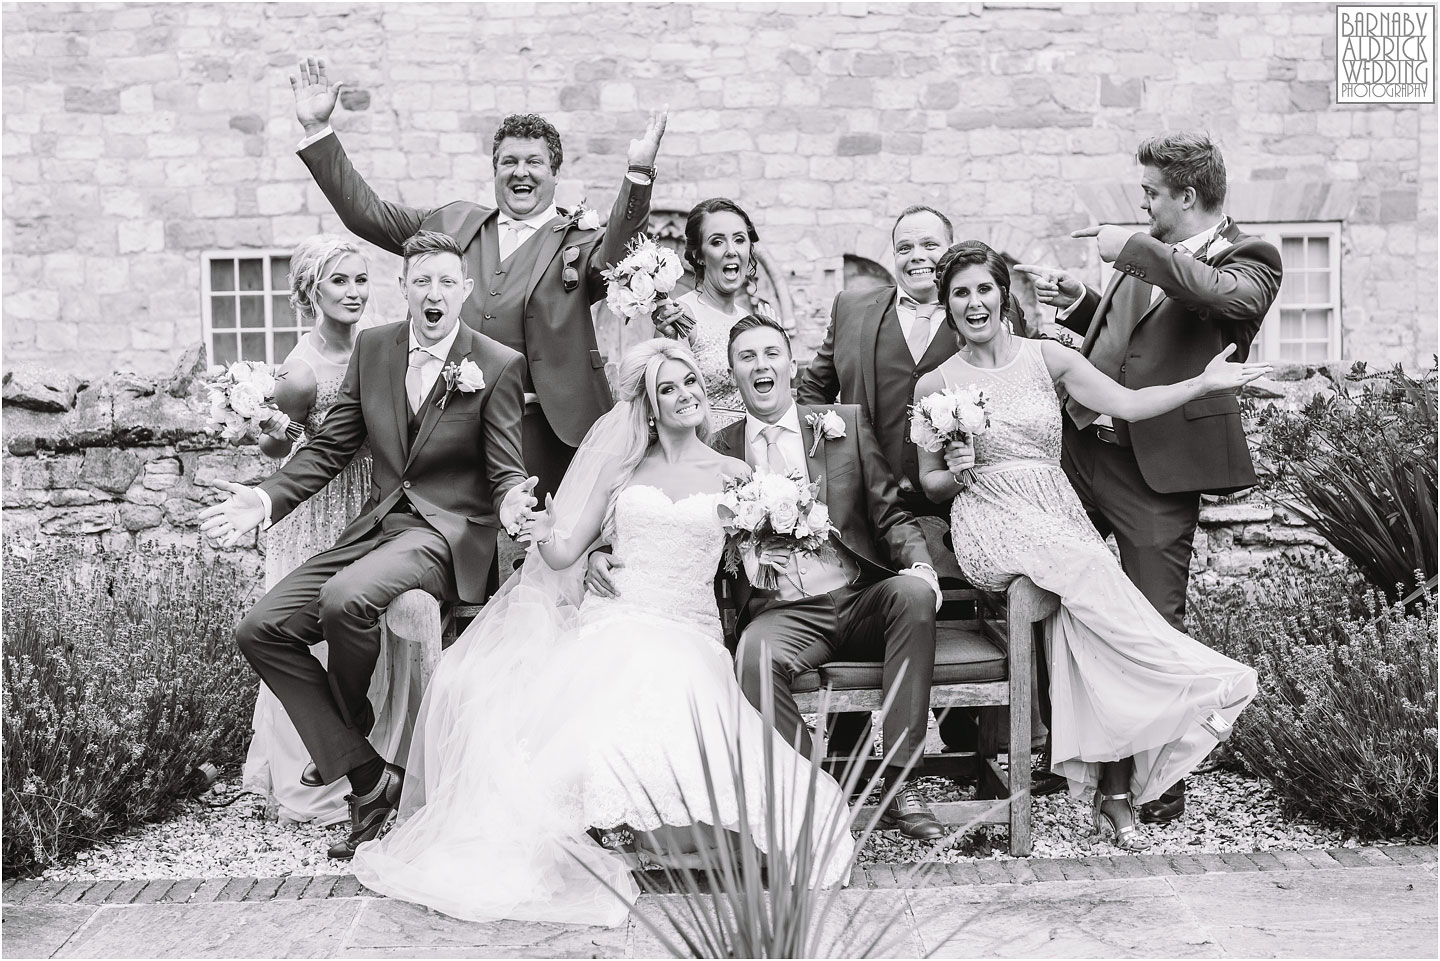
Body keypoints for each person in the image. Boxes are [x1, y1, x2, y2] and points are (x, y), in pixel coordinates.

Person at [348, 340, 855, 926]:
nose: (685, 395)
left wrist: (775, 545)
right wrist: (541, 528)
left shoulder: (737, 475)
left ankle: (673, 827)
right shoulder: (623, 470)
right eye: (668, 388)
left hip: (687, 628)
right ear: (650, 404)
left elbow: (752, 567)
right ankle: (578, 831)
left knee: (683, 706)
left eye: (690, 382)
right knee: (593, 705)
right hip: (615, 618)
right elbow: (565, 551)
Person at [915, 241, 1267, 850]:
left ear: (1004, 293)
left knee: (1088, 615)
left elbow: (1128, 404)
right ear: (948, 307)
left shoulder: (1047, 357)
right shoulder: (938, 382)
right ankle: (1187, 674)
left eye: (983, 289)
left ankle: (1114, 787)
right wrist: (960, 469)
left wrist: (1203, 384)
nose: (974, 303)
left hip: (1054, 511)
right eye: (960, 294)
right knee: (1089, 565)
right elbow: (930, 482)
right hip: (988, 517)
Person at [201, 231, 536, 860]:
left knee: (345, 598)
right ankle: (369, 776)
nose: (433, 294)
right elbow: (330, 449)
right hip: (376, 526)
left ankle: (346, 736)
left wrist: (515, 499)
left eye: (445, 282)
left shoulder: (495, 363)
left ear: (462, 290)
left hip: (444, 536)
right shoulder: (377, 349)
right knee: (260, 628)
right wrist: (264, 499)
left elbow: (505, 468)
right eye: (421, 282)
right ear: (405, 289)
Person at [1014, 132, 1281, 824]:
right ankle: (1046, 753)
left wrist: (1132, 247)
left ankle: (1157, 781)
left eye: (1152, 194)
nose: (1143, 204)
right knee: (1032, 583)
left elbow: (1219, 301)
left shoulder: (1252, 258)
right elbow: (1128, 340)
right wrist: (1081, 302)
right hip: (1081, 449)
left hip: (1156, 472)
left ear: (1186, 196)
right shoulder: (1153, 256)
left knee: (1154, 623)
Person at [288, 55, 669, 500]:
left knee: (545, 553)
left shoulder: (580, 239)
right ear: (494, 170)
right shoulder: (452, 222)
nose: (520, 172)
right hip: (452, 430)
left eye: (534, 162)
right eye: (509, 161)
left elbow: (619, 257)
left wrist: (638, 174)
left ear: (554, 173)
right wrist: (319, 132)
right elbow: (367, 214)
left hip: (550, 431)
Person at [711, 315, 948, 842]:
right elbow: (704, 546)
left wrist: (921, 563)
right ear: (733, 373)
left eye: (771, 352)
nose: (760, 364)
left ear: (790, 364)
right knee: (753, 657)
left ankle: (902, 782)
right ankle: (817, 788)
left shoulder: (840, 423)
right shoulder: (718, 448)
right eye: (746, 357)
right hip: (783, 612)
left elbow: (889, 514)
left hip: (859, 595)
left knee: (912, 594)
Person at [242, 234, 417, 827]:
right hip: (320, 512)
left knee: (367, 635)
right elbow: (278, 448)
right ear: (312, 290)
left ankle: (381, 757)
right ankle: (318, 782)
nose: (353, 292)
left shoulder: (382, 348)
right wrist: (262, 424)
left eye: (361, 279)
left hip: (374, 506)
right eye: (339, 281)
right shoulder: (299, 370)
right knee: (307, 634)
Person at [650, 198, 777, 427]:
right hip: (705, 449)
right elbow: (668, 403)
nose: (731, 251)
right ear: (699, 255)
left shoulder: (747, 319)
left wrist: (776, 347)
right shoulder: (682, 316)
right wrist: (669, 341)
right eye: (717, 242)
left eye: (739, 240)